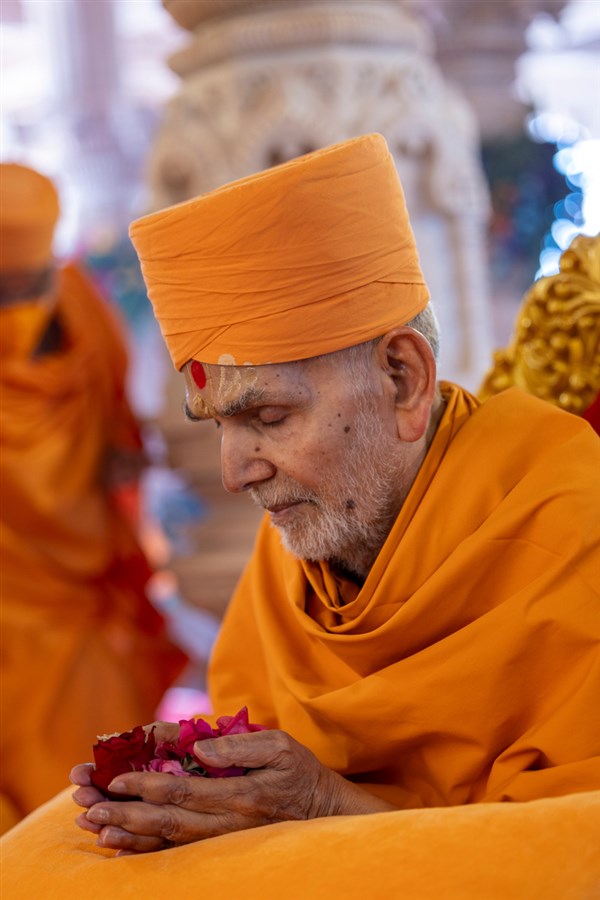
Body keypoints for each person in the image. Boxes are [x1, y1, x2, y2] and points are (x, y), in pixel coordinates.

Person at [1, 136, 599, 898]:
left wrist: (326, 807)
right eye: (218, 424)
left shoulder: (570, 532)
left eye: (270, 416)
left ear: (403, 378)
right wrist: (200, 789)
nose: (234, 470)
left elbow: (573, 846)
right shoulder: (297, 552)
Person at [0, 162, 186, 833]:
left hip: (82, 600)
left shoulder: (78, 300)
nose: (22, 304)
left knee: (99, 783)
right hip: (11, 607)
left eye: (31, 282)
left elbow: (115, 427)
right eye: (4, 289)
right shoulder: (70, 296)